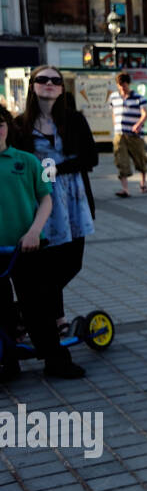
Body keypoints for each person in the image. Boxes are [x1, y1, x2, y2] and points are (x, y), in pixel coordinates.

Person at [0, 105, 85, 380]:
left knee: (38, 306)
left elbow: (45, 198)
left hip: (28, 248)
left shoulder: (26, 161)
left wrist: (34, 231)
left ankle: (55, 360)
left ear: (7, 128)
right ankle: (7, 362)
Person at [15, 67, 97, 337]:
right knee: (47, 264)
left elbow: (90, 158)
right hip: (39, 200)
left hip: (73, 199)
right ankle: (56, 320)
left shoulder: (74, 119)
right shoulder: (20, 124)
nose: (49, 84)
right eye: (42, 79)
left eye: (55, 80)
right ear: (32, 86)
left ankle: (31, 310)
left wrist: (56, 170)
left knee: (72, 262)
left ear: (62, 89)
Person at [108, 73, 147, 197]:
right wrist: (115, 124)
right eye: (119, 86)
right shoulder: (113, 97)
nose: (122, 89)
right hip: (119, 134)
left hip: (135, 135)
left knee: (140, 160)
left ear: (128, 84)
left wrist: (138, 124)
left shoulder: (139, 98)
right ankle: (125, 189)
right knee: (121, 160)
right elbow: (114, 113)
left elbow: (145, 114)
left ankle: (143, 183)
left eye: (124, 86)